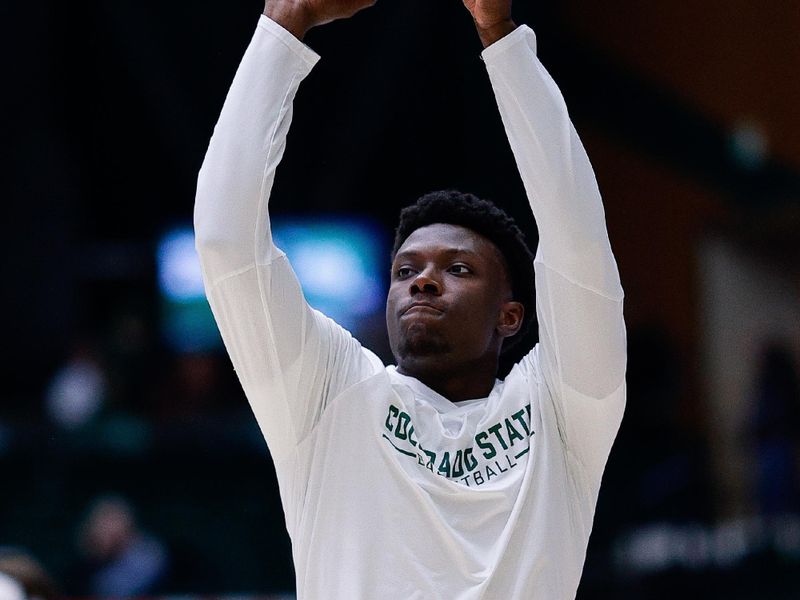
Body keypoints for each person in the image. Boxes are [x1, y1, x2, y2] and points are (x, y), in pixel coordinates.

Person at [194, 0, 626, 597]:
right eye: (405, 270)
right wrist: (281, 28)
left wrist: (499, 36)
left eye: (457, 269)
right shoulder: (326, 394)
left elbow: (578, 239)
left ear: (511, 315)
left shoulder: (563, 411)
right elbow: (225, 241)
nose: (423, 281)